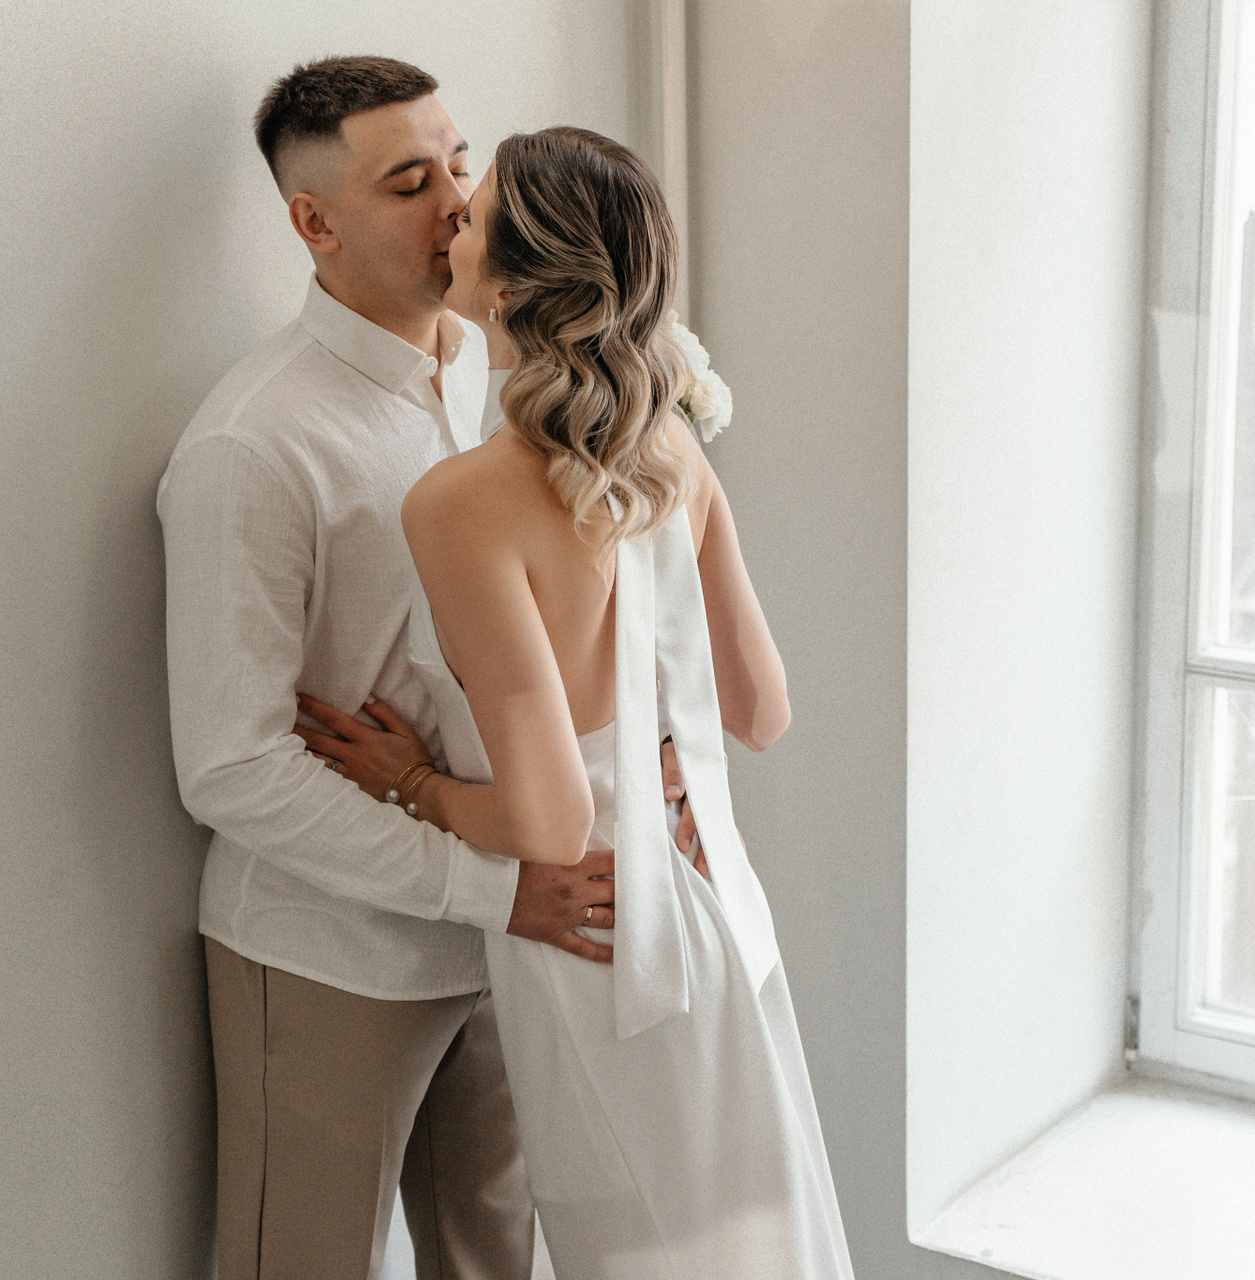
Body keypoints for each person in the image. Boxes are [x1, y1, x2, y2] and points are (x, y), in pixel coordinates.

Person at [295, 127, 854, 1279]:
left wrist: (412, 780)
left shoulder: (460, 501)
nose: (450, 217)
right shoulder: (671, 448)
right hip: (714, 911)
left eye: (472, 214)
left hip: (602, 942)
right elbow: (761, 709)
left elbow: (548, 820)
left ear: (506, 287)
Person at [159, 57, 677, 1279]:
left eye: (458, 162)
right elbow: (230, 766)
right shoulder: (254, 445)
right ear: (315, 222)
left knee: (496, 1259)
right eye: (408, 183)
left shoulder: (514, 377)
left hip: (516, 941)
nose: (456, 202)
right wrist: (491, 886)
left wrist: (654, 771)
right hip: (334, 954)